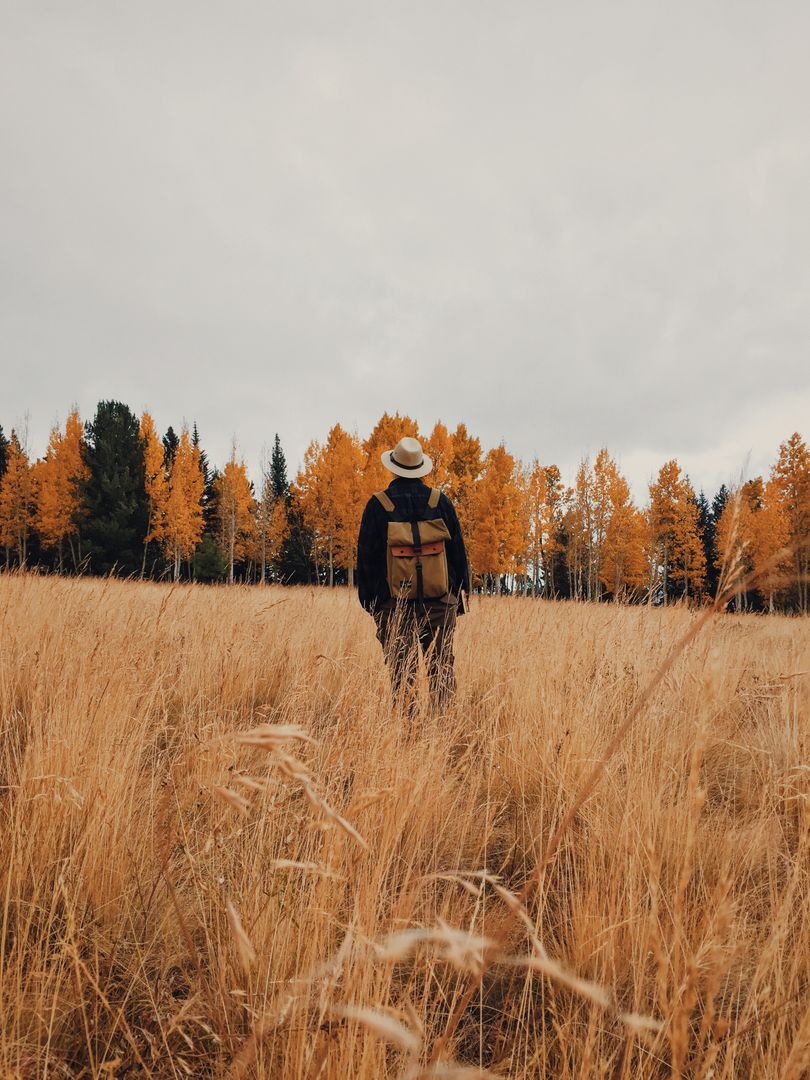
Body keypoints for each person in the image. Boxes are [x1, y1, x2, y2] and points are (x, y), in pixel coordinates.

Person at [357, 436, 470, 713]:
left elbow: (366, 561)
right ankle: (442, 735)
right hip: (440, 604)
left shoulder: (377, 505)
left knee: (402, 676)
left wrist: (374, 606)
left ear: (393, 468)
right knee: (441, 670)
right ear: (421, 468)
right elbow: (458, 554)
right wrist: (457, 599)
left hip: (394, 606)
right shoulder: (439, 501)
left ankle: (408, 740)